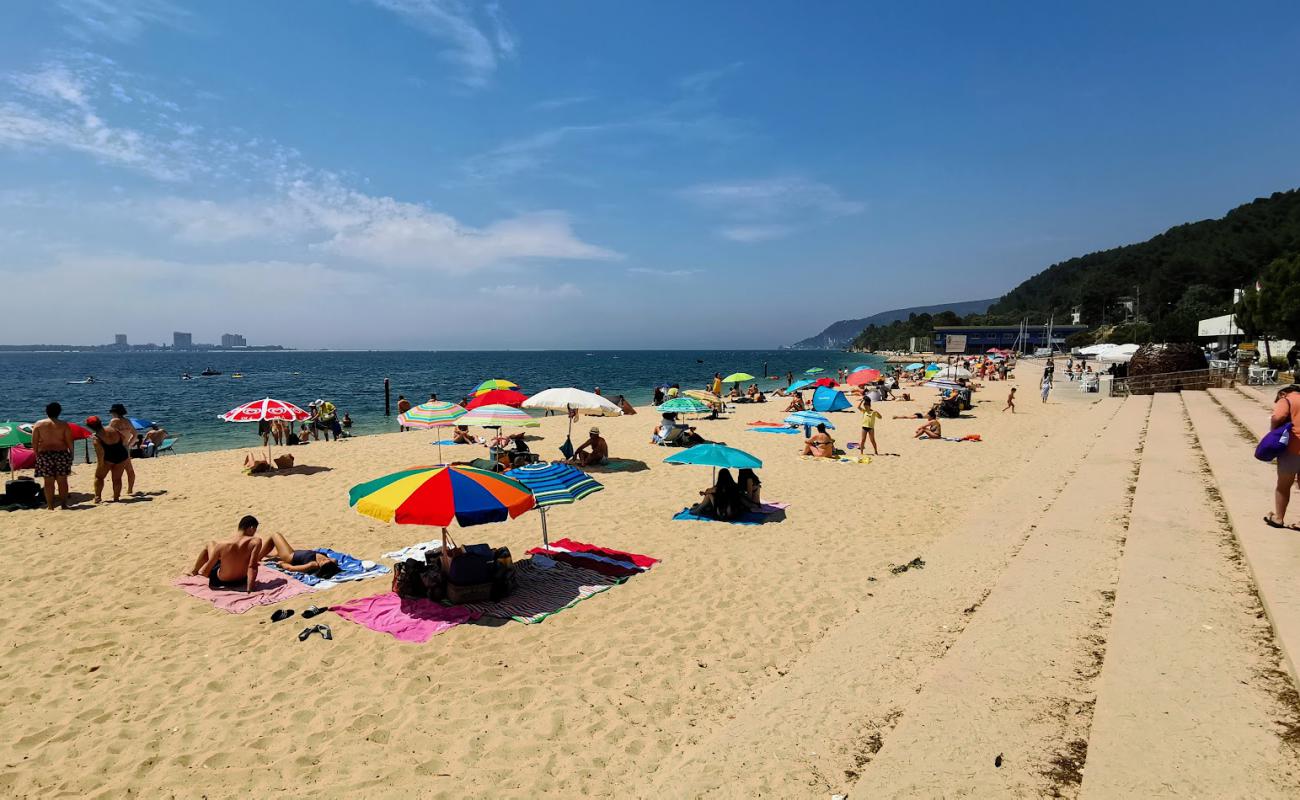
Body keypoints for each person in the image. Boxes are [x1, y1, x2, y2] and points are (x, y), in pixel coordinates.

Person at [187, 515, 264, 592]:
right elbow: (252, 566)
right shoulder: (256, 542)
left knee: (210, 544)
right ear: (251, 528)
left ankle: (194, 571)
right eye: (255, 530)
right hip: (242, 580)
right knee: (219, 553)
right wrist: (250, 588)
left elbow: (205, 572)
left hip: (221, 581)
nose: (254, 534)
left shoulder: (222, 545)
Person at [1266, 385, 1300, 530]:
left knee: (1283, 486)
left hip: (1293, 447)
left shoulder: (1287, 399)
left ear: (1282, 393)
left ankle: (1279, 518)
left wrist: (1272, 432)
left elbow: (1278, 417)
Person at [31, 402, 74, 510]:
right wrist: (72, 454)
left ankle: (50, 506)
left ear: (46, 412)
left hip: (45, 455)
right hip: (61, 454)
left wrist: (37, 455)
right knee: (62, 481)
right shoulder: (64, 425)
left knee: (48, 482)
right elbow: (69, 442)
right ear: (59, 412)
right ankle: (63, 504)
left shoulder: (38, 424)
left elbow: (34, 442)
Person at [259, 530, 342, 579]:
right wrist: (331, 563)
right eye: (328, 560)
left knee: (275, 535)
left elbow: (291, 568)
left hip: (289, 556)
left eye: (324, 561)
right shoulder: (331, 562)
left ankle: (257, 557)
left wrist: (282, 564)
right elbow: (334, 561)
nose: (326, 559)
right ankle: (267, 555)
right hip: (296, 553)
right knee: (275, 551)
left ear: (321, 567)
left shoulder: (312, 564)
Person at [84, 416, 129, 503]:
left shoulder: (96, 437)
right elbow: (123, 439)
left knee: (99, 477)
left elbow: (100, 453)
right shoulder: (112, 428)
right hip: (122, 454)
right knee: (117, 479)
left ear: (90, 427)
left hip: (109, 457)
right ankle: (116, 498)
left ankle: (98, 497)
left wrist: (100, 464)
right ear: (100, 422)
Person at [108, 403, 138, 495]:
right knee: (129, 470)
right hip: (125, 447)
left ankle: (116, 493)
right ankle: (130, 490)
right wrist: (129, 444)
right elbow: (135, 434)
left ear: (114, 412)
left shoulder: (114, 421)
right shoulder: (127, 421)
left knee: (116, 472)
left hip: (116, 448)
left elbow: (108, 433)